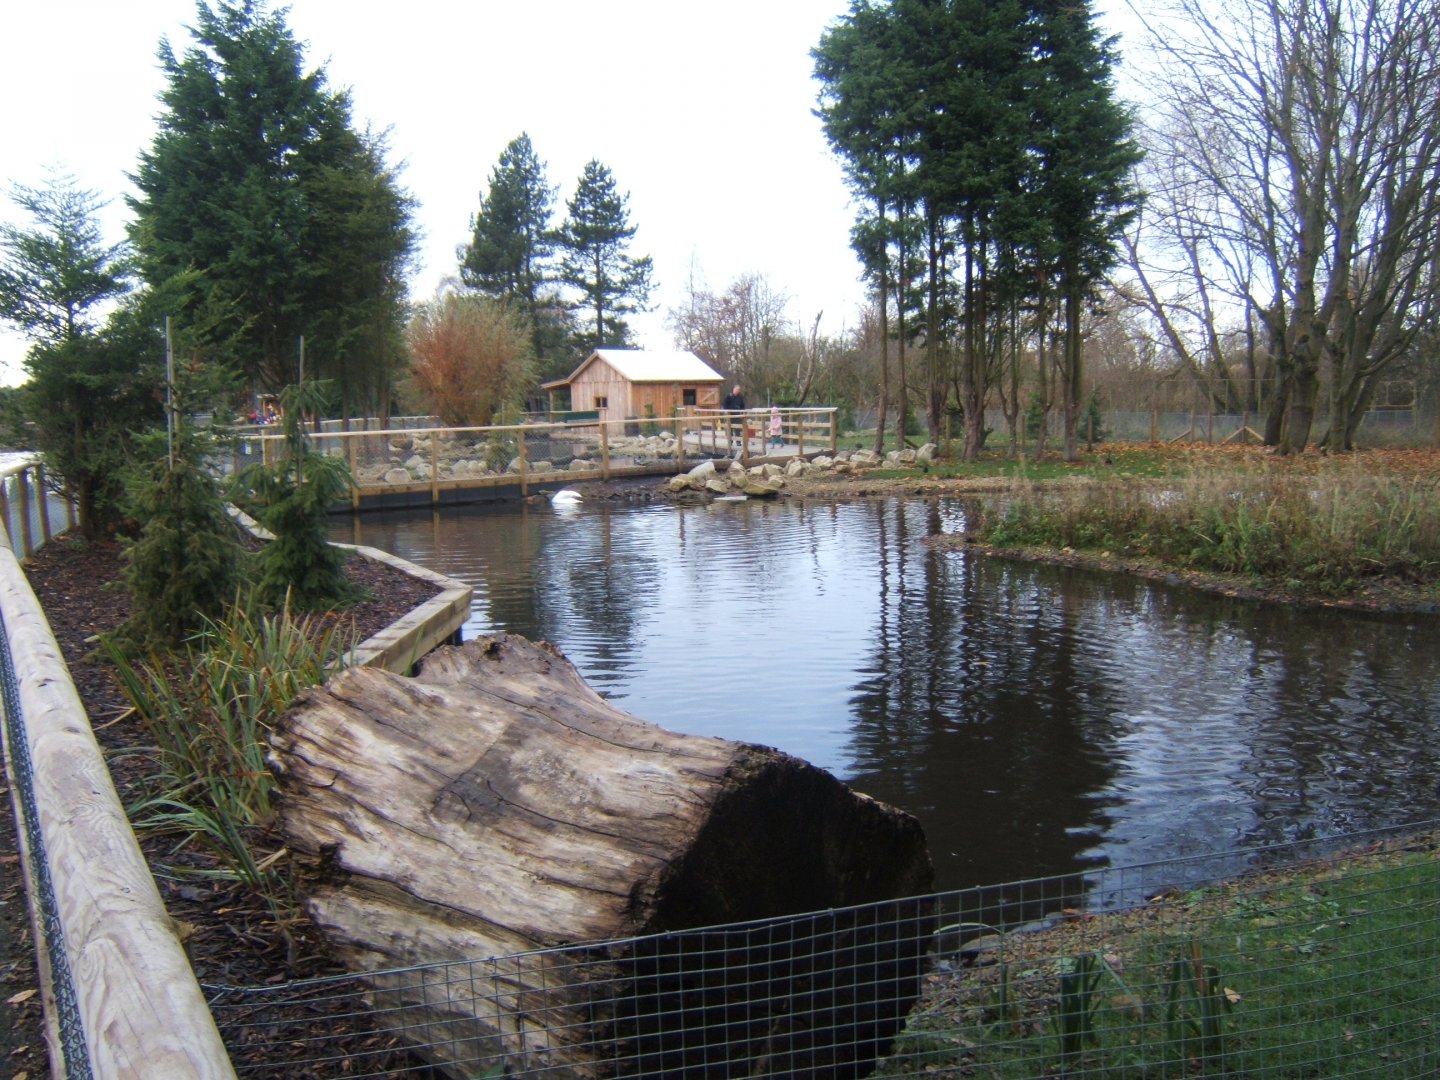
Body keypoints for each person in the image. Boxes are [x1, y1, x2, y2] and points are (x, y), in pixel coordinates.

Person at [722, 384, 746, 454]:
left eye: (739, 390)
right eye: (736, 389)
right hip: (730, 414)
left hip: (737, 414)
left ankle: (738, 442)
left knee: (738, 428)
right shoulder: (729, 396)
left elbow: (742, 405)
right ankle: (730, 442)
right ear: (734, 389)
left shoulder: (740, 397)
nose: (738, 391)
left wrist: (742, 411)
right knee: (729, 429)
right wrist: (727, 411)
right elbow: (725, 404)